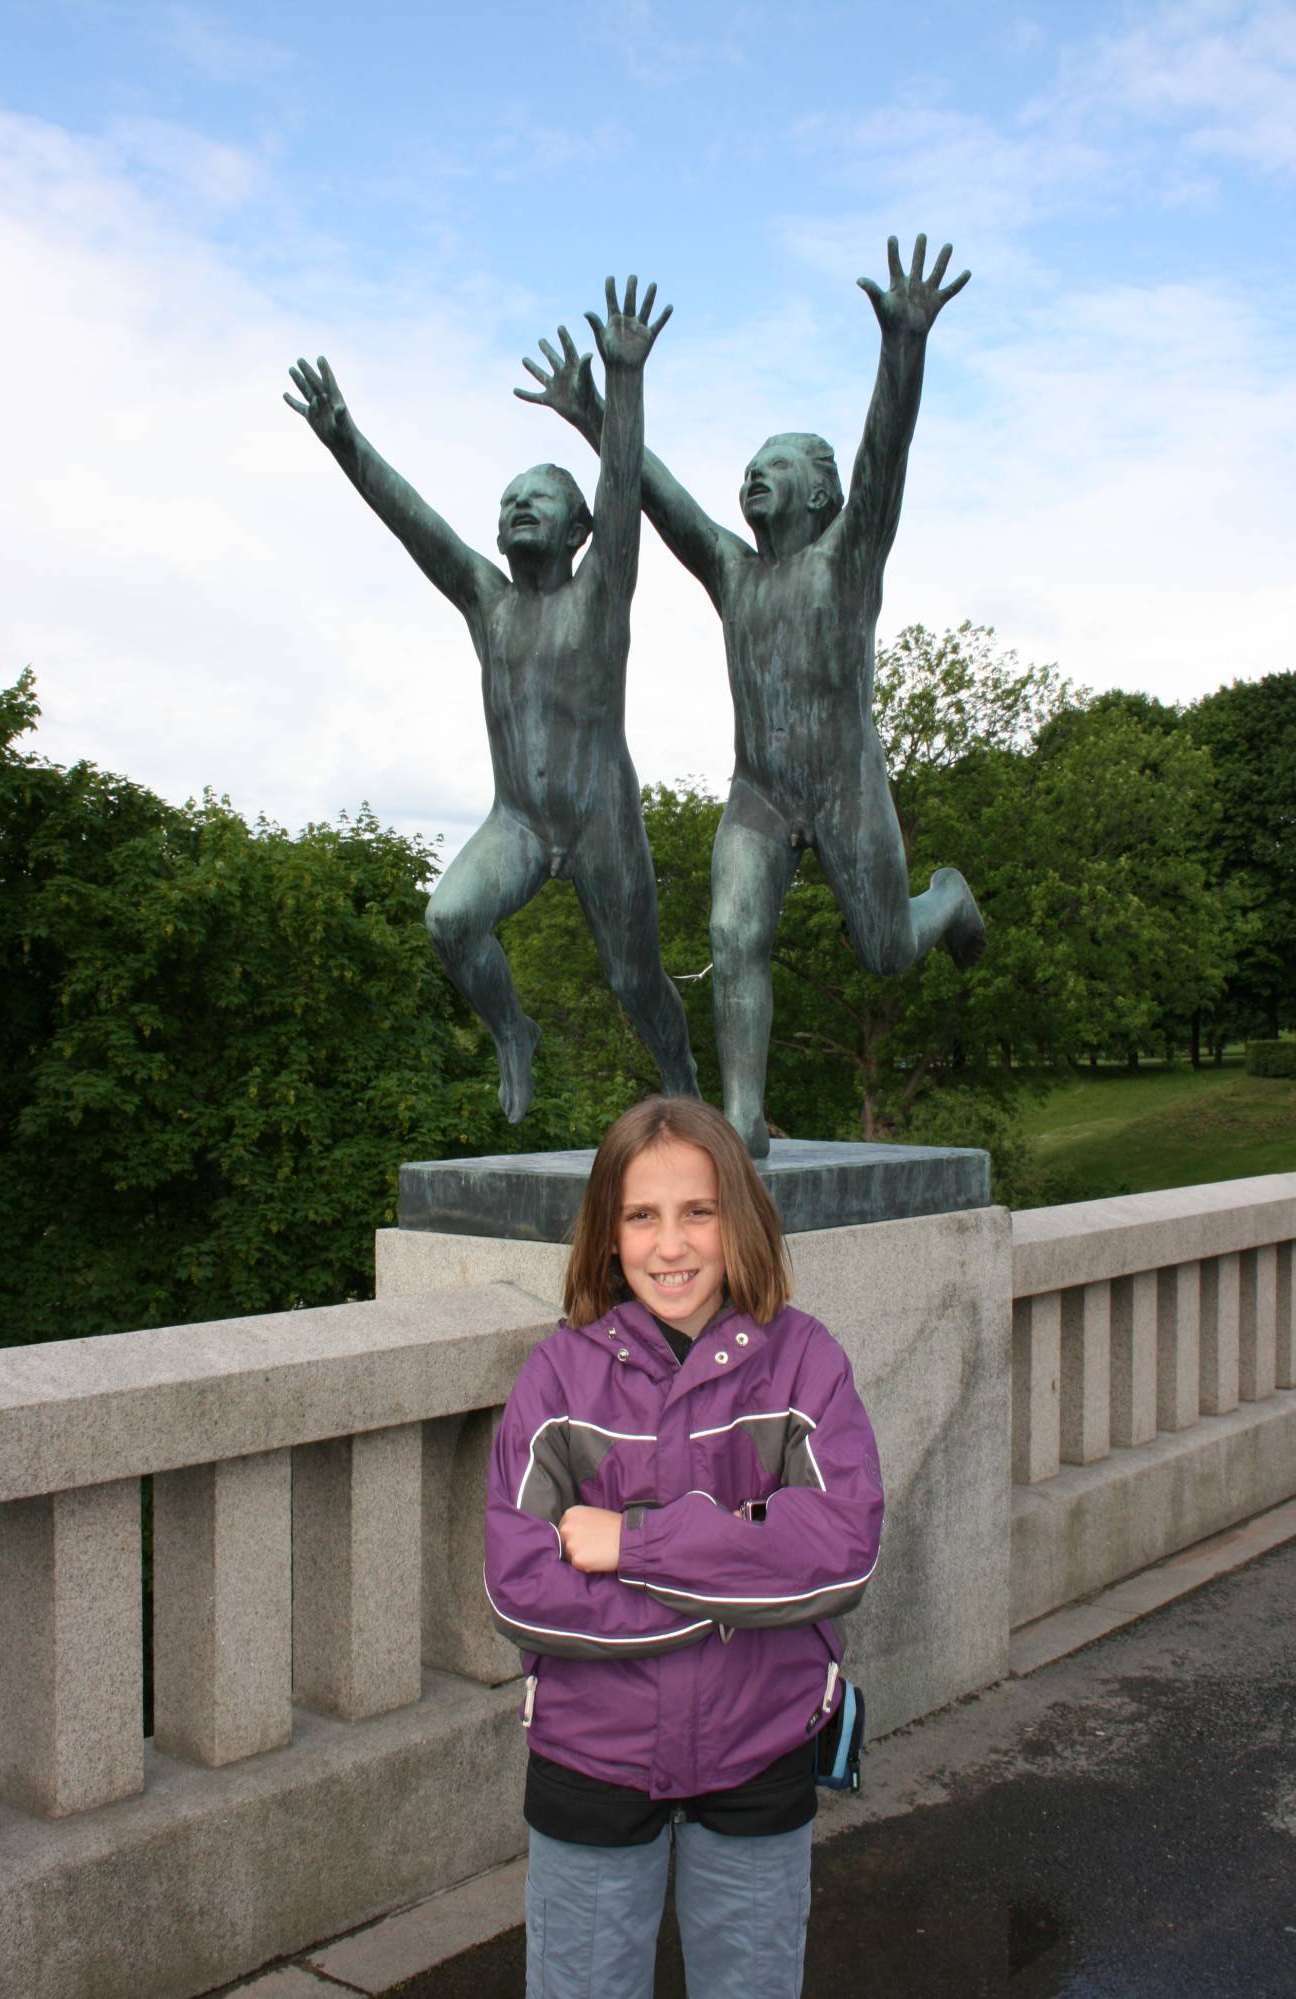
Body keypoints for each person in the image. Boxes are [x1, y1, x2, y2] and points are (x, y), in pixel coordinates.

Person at [517, 235, 985, 1155]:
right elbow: (661, 500)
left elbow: (884, 455)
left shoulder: (847, 560)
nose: (752, 476)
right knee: (732, 935)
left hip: (846, 789)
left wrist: (903, 347)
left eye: (775, 467)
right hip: (760, 795)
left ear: (819, 492)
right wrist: (594, 418)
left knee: (886, 951)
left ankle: (950, 898)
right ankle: (739, 1119)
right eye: (750, 467)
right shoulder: (733, 573)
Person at [484, 1096, 883, 1997]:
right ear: (607, 1232)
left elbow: (844, 1546)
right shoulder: (556, 1375)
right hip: (593, 1759)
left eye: (697, 1211)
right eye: (642, 1216)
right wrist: (743, 1563)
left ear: (736, 1216)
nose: (672, 1245)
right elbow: (520, 1587)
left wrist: (634, 1542)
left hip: (758, 1749)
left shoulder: (803, 1359)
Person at [284, 277, 698, 1125]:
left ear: (578, 531)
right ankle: (514, 1030)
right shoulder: (486, 599)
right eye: (507, 500)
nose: (516, 508)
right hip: (517, 822)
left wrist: (623, 382)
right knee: (448, 919)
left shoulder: (602, 588)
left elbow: (622, 485)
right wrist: (344, 441)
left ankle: (684, 1085)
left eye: (537, 499)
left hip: (600, 820)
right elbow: (417, 525)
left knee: (632, 978)